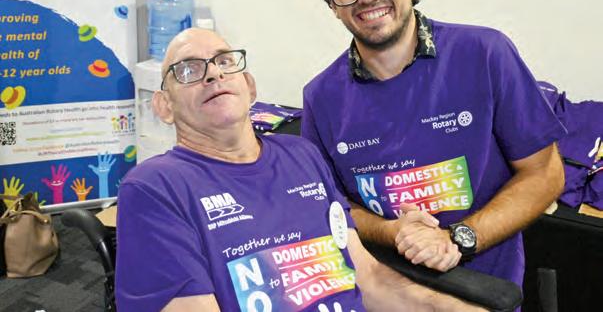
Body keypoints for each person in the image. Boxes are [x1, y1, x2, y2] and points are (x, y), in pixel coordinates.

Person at [302, 0, 566, 289]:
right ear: (332, 3)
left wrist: (459, 238)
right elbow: (332, 207)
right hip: (386, 293)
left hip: (481, 293)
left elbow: (544, 174)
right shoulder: (320, 98)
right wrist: (390, 231)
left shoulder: (484, 54)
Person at [115, 28, 483, 312]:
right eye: (188, 70)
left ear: (250, 87)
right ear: (164, 106)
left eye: (224, 61)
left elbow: (369, 278)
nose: (213, 74)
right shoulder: (154, 189)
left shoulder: (303, 156)